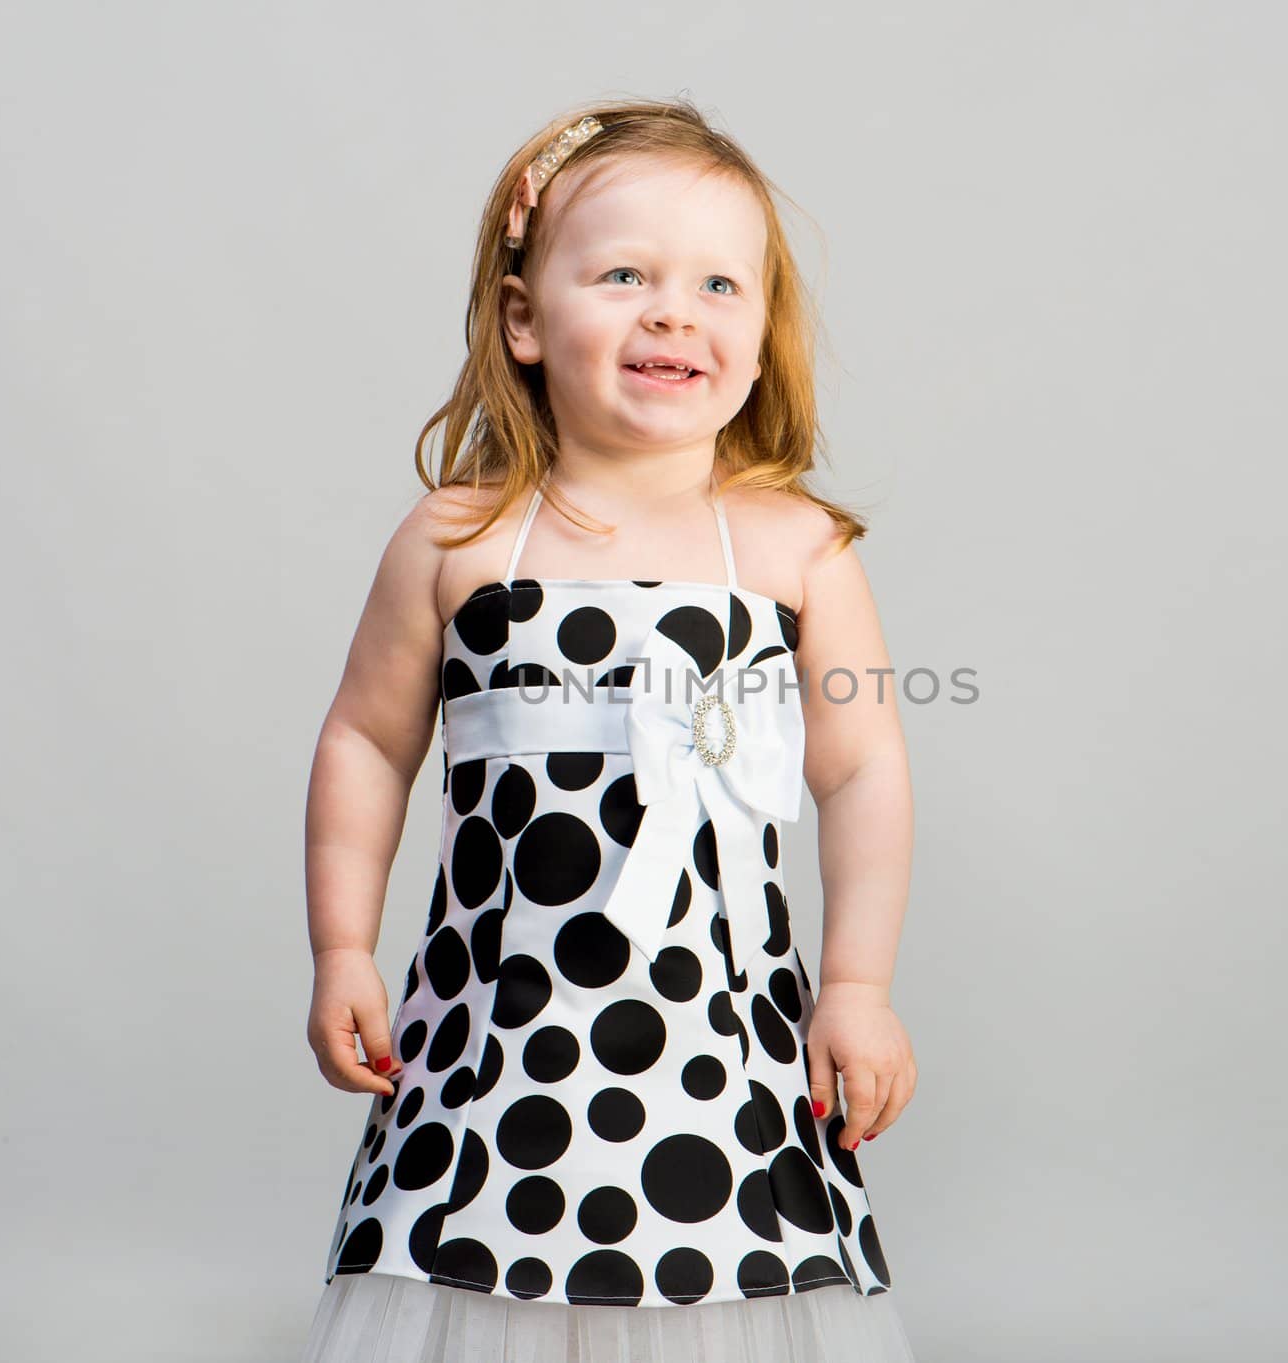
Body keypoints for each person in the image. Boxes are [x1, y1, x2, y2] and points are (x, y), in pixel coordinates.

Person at [298, 97, 920, 1363]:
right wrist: (341, 948)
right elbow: (367, 740)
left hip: (717, 1032)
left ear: (758, 340)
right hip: (497, 1023)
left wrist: (856, 985)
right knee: (485, 1248)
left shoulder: (794, 548)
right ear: (525, 319)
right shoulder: (459, 541)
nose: (671, 311)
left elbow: (857, 768)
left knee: (719, 1262)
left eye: (715, 285)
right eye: (624, 273)